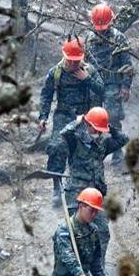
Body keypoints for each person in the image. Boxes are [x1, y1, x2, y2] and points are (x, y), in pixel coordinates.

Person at [53, 107, 128, 259]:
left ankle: (98, 268)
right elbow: (64, 133)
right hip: (77, 196)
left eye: (101, 131)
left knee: (102, 233)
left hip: (96, 197)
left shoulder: (102, 145)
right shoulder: (75, 140)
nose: (99, 133)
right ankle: (75, 269)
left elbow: (123, 139)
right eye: (96, 129)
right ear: (88, 125)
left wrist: (109, 127)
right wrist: (78, 120)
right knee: (75, 234)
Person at [38, 37, 104, 207]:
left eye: (76, 60)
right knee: (57, 147)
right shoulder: (56, 72)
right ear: (65, 57)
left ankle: (83, 190)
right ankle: (56, 188)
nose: (73, 64)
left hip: (84, 118)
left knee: (83, 153)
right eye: (70, 60)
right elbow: (46, 95)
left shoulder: (89, 71)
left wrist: (86, 79)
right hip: (63, 116)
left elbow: (102, 91)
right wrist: (43, 117)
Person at [85, 2, 133, 165]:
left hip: (113, 83)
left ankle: (116, 149)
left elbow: (127, 63)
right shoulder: (89, 38)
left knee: (112, 116)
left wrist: (126, 86)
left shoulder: (119, 38)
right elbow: (84, 62)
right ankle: (95, 149)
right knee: (93, 118)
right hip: (94, 83)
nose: (102, 30)